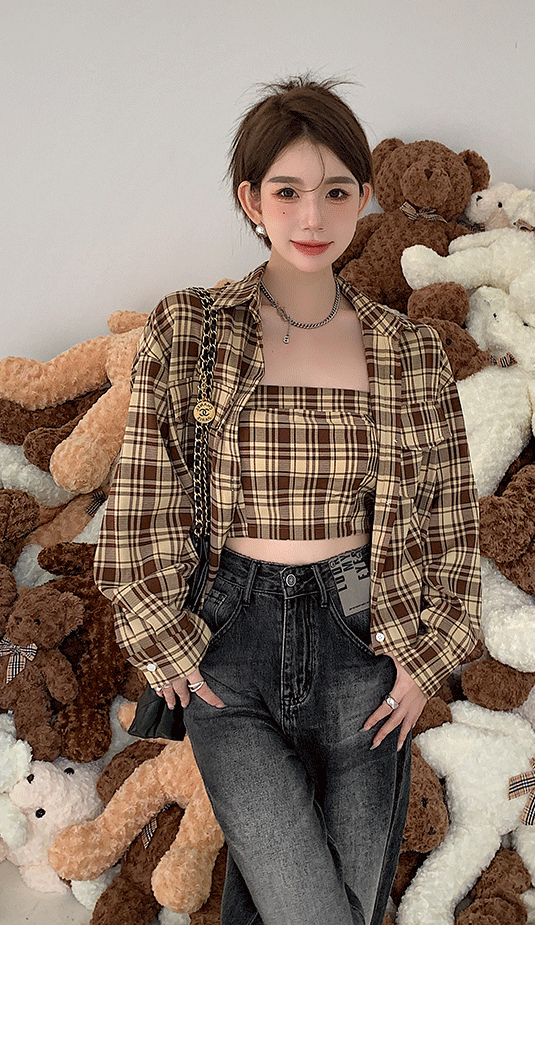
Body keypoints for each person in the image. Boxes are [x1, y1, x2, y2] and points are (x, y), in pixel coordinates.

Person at [94, 75, 481, 924]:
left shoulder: (412, 350)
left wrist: (426, 662)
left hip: (364, 639)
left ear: (364, 197)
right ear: (251, 201)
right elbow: (140, 498)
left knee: (323, 910)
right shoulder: (191, 328)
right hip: (227, 643)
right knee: (313, 914)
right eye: (287, 192)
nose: (313, 217)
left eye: (336, 191)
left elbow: (453, 520)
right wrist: (164, 641)